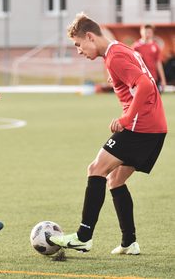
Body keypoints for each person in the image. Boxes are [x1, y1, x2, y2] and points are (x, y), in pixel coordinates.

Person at [50, 13, 167, 255]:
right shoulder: (118, 51)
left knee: (96, 169)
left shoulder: (115, 56)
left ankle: (83, 236)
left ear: (90, 37)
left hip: (141, 126)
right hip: (154, 127)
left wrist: (126, 119)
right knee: (115, 180)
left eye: (78, 44)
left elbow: (145, 84)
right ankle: (129, 242)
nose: (79, 51)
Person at [132, 24, 167, 93]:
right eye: (145, 32)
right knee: (144, 100)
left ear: (152, 33)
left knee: (156, 100)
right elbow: (132, 63)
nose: (147, 34)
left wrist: (163, 79)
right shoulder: (136, 46)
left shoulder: (155, 46)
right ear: (141, 32)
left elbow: (158, 63)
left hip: (154, 77)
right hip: (141, 78)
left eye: (149, 32)